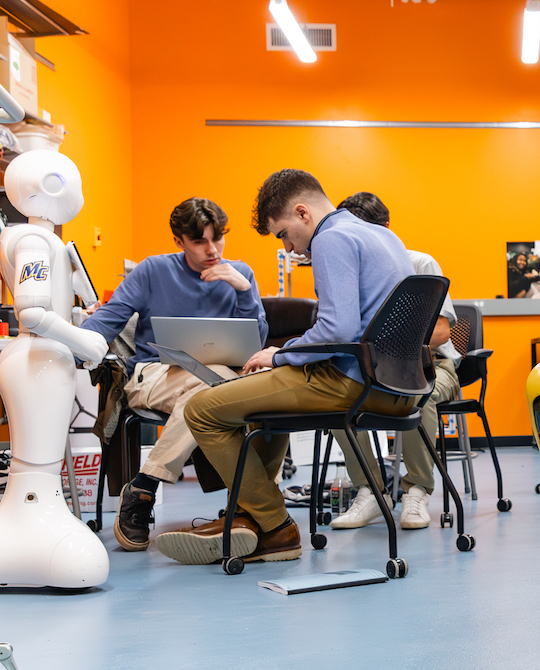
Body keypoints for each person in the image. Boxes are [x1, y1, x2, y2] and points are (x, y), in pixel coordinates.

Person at [154, 170, 418, 566]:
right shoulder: (381, 235)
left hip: (354, 382)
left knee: (202, 410)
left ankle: (275, 526)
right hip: (399, 386)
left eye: (284, 234)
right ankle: (249, 517)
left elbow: (338, 328)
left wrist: (279, 353)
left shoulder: (331, 238)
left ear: (302, 212)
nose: (291, 247)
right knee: (259, 409)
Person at [79, 197, 268, 553]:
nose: (213, 250)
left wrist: (243, 291)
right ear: (179, 241)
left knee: (214, 385)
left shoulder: (240, 274)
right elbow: (110, 318)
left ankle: (144, 487)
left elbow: (255, 344)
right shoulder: (153, 271)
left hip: (218, 379)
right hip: (155, 374)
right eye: (200, 242)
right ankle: (239, 506)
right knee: (218, 387)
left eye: (218, 238)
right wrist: (73, 344)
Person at [327, 191, 462, 531]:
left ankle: (418, 488)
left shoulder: (419, 263)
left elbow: (442, 332)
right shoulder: (343, 268)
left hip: (431, 366)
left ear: (387, 229)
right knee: (335, 402)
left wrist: (392, 342)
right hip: (373, 371)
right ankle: (371, 490)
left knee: (420, 396)